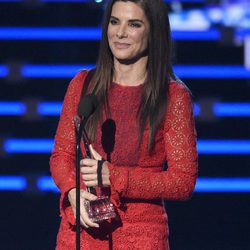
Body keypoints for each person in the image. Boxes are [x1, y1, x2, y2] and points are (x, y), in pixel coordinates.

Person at [50, 0, 198, 249]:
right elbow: (61, 156)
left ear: (153, 32)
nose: (120, 33)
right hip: (80, 233)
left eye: (134, 24)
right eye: (114, 21)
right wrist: (73, 191)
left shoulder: (172, 97)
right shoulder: (83, 85)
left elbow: (182, 182)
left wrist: (115, 176)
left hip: (140, 236)